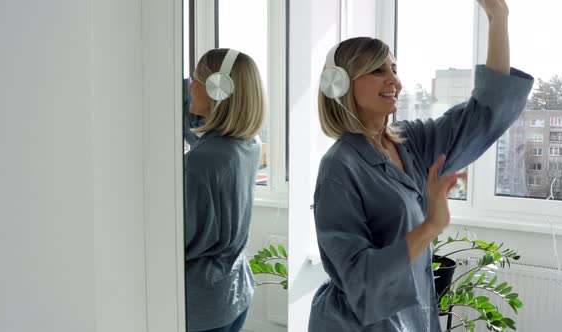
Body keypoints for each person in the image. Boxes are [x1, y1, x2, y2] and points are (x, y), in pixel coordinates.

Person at [309, 1, 533, 331]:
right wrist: (430, 226)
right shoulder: (339, 169)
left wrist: (498, 19)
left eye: (394, 69)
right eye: (377, 70)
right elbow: (360, 278)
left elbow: (485, 112)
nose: (394, 81)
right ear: (339, 84)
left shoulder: (410, 142)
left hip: (411, 320)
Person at [184, 48, 266, 332]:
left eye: (196, 79)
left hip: (200, 305)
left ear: (219, 88)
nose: (190, 86)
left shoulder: (201, 160)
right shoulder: (249, 145)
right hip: (235, 292)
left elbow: (181, 240)